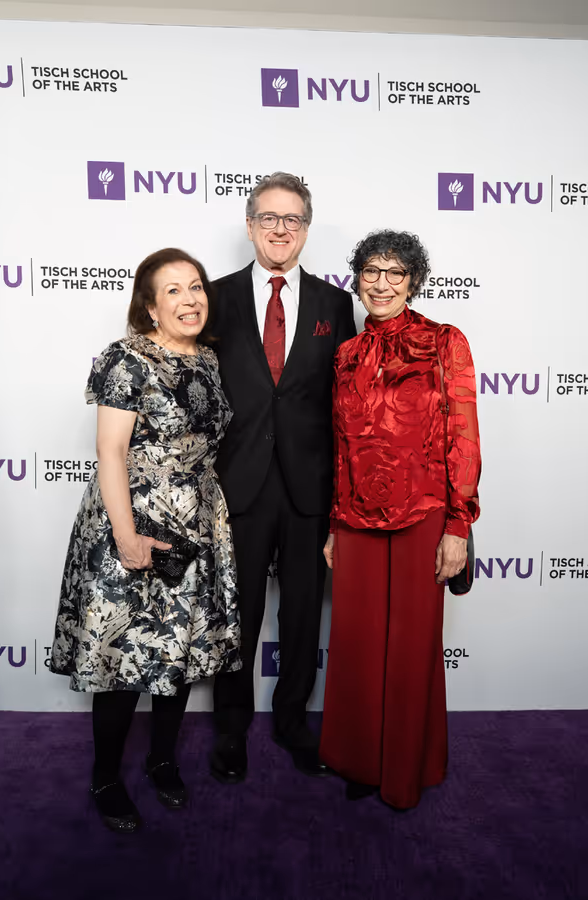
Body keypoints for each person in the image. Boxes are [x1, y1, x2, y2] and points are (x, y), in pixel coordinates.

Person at [50, 248, 241, 832]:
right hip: (131, 520)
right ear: (151, 307)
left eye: (196, 287)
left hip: (196, 521)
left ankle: (162, 761)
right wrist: (127, 536)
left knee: (176, 654)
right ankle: (106, 776)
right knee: (122, 658)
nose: (190, 300)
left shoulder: (208, 359)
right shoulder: (126, 360)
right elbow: (109, 451)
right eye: (173, 291)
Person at [320, 230, 481, 809]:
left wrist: (458, 525)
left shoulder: (445, 342)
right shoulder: (345, 354)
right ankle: (360, 760)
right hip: (357, 518)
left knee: (411, 645)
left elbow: (463, 435)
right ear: (357, 279)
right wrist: (336, 523)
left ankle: (405, 768)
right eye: (371, 271)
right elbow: (340, 444)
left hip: (423, 514)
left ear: (414, 280)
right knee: (359, 642)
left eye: (394, 273)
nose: (381, 283)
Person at [209, 172, 356, 783]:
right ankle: (230, 732)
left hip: (308, 486)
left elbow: (344, 403)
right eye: (268, 217)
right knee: (235, 615)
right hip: (237, 484)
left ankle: (293, 722)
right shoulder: (212, 297)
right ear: (249, 225)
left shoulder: (332, 303)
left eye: (292, 219)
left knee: (301, 613)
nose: (279, 229)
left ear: (305, 230)